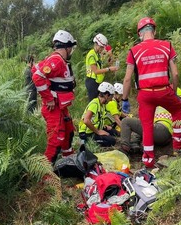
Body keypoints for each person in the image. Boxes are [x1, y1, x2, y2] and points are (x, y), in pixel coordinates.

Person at [122, 17, 181, 168]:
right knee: (176, 110)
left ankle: (148, 161)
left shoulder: (134, 51)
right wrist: (174, 92)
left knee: (147, 125)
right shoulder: (167, 45)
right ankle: (178, 150)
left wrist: (124, 99)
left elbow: (127, 79)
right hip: (164, 90)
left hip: (145, 94)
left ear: (140, 34)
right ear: (154, 31)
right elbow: (175, 74)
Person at [32, 30, 77, 164]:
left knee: (69, 130)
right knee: (56, 139)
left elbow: (38, 71)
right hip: (54, 106)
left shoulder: (57, 60)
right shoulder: (56, 61)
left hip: (61, 105)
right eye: (71, 48)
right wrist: (48, 98)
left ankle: (67, 158)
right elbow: (37, 77)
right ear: (67, 47)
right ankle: (45, 172)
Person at [120, 86, 181, 154]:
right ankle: (135, 144)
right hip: (163, 132)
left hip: (161, 129)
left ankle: (125, 150)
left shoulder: (169, 89)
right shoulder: (167, 93)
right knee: (142, 123)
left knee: (126, 121)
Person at [79, 82, 118, 147]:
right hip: (86, 133)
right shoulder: (95, 104)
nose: (111, 100)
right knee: (111, 141)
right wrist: (98, 131)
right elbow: (86, 120)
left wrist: (103, 126)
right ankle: (86, 142)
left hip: (93, 129)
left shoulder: (102, 104)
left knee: (113, 132)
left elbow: (97, 119)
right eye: (111, 96)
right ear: (106, 95)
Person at [85, 33, 119, 102]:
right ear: (96, 44)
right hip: (92, 82)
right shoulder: (91, 55)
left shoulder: (97, 54)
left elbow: (101, 66)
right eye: (101, 47)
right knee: (94, 103)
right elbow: (96, 71)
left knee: (100, 102)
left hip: (97, 81)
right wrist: (109, 69)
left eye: (103, 47)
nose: (102, 49)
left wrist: (110, 61)